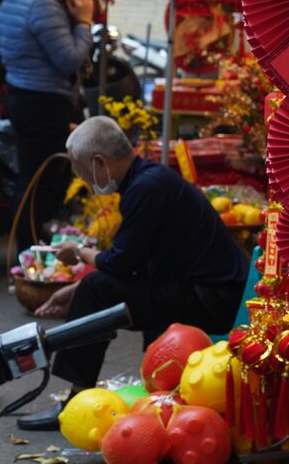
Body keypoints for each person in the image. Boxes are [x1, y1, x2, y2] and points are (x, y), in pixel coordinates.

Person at [17, 117, 248, 430]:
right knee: (95, 288)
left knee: (96, 288)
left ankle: (75, 397)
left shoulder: (146, 188)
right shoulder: (148, 180)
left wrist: (79, 253)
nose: (81, 177)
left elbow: (119, 264)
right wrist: (76, 288)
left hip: (212, 301)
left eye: (80, 168)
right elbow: (136, 264)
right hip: (202, 292)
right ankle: (155, 390)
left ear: (100, 162)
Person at [0, 0, 95, 248]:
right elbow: (69, 59)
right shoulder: (46, 5)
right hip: (45, 104)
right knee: (40, 182)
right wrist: (84, 22)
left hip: (21, 98)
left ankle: (28, 249)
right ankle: (27, 254)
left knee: (32, 177)